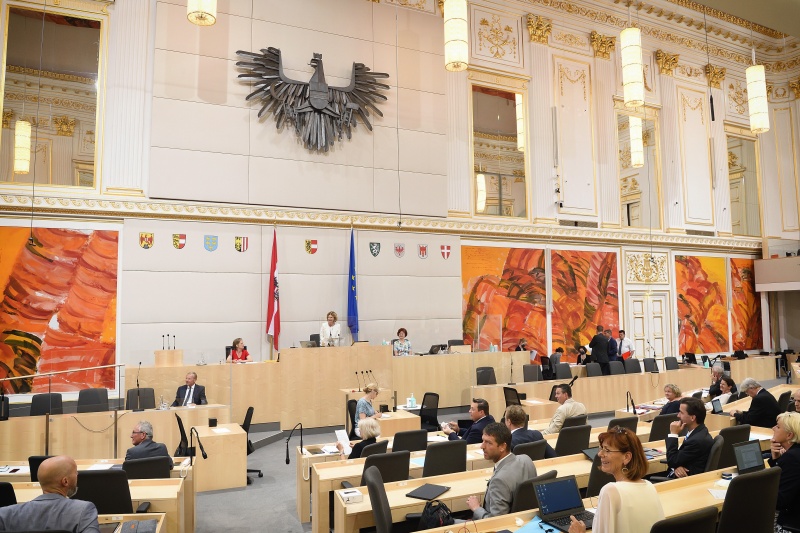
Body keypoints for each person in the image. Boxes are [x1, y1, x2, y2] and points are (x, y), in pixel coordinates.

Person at [568, 427, 664, 533]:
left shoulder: (610, 491)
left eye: (607, 450)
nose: (600, 454)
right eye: (601, 449)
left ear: (626, 457)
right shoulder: (650, 486)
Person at [0, 455, 99, 533]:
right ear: (65, 481)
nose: (77, 475)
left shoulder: (5, 514)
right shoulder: (83, 510)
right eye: (75, 473)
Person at [466, 422, 536, 519]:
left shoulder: (499, 481)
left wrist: (476, 508)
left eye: (489, 443)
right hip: (526, 520)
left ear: (503, 446)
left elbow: (496, 522)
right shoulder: (526, 459)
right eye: (483, 441)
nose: (482, 446)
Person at [664, 397, 713, 478]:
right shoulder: (700, 431)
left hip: (683, 480)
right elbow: (678, 460)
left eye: (681, 412)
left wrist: (673, 434)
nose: (678, 415)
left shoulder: (696, 440)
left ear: (692, 418)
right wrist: (677, 466)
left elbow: (672, 461)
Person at [769, 412, 800, 532]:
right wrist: (776, 459)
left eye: (777, 426)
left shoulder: (792, 458)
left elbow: (779, 501)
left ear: (789, 435)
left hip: (789, 524)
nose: (773, 428)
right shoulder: (793, 454)